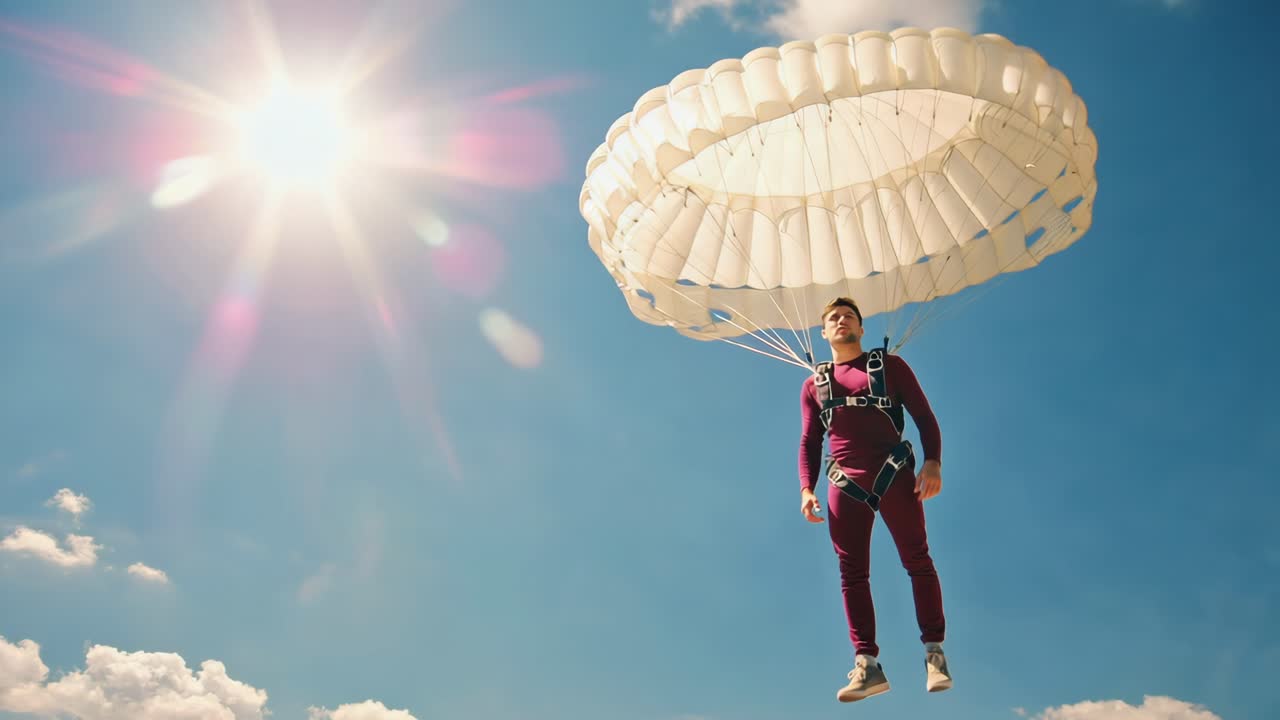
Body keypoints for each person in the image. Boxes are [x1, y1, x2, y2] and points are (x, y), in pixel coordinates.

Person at [797, 296, 953, 702]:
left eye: (849, 316)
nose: (841, 320)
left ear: (861, 328)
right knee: (852, 573)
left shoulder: (890, 367)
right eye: (832, 317)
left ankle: (934, 653)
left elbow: (924, 416)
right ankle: (866, 665)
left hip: (894, 473)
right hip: (844, 482)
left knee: (917, 558)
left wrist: (933, 462)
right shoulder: (814, 384)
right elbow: (811, 440)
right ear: (824, 331)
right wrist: (806, 487)